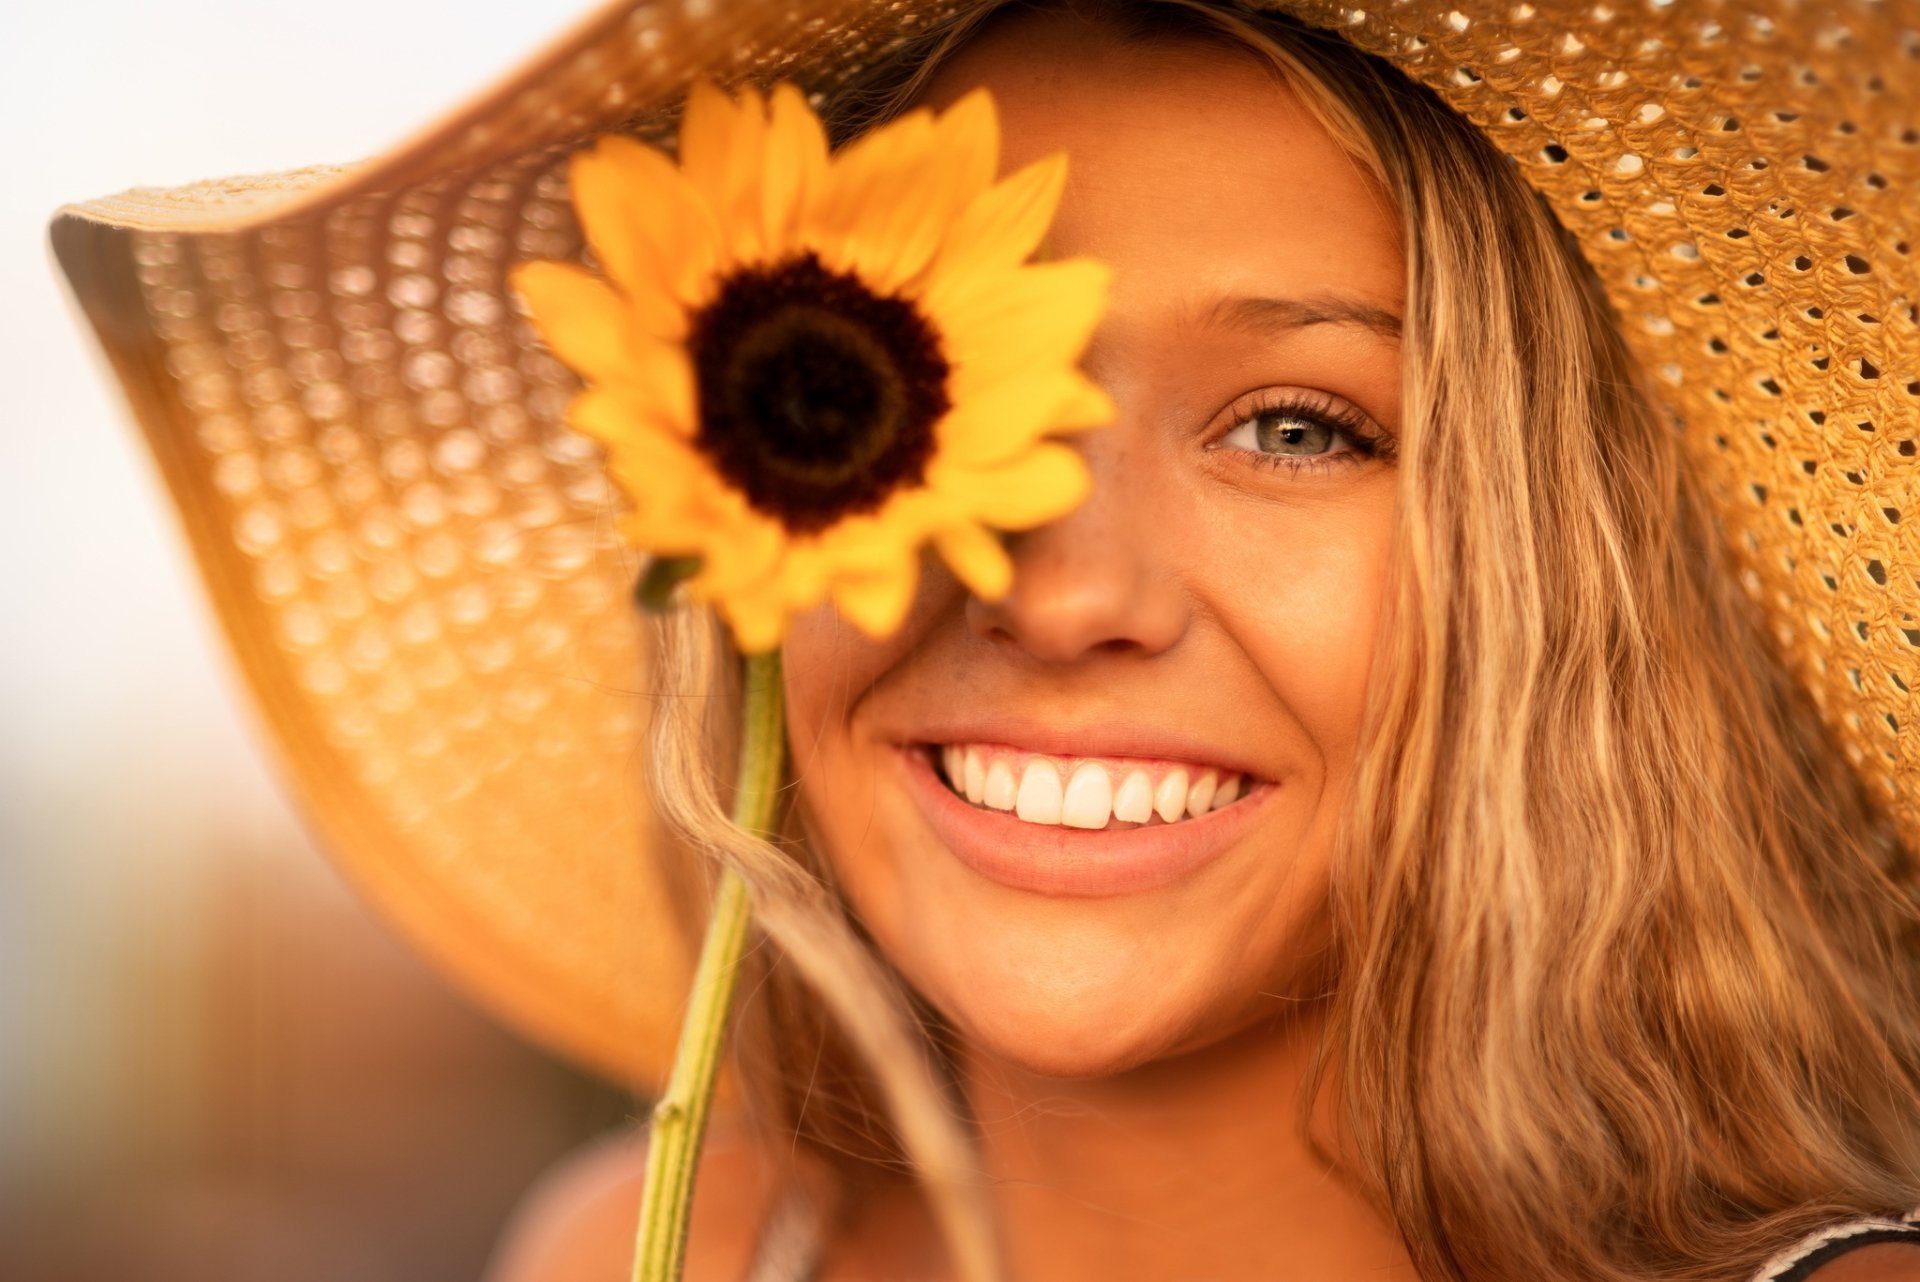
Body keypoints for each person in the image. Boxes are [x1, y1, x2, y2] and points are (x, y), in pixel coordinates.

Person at [50, 0, 1920, 1278]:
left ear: (1548, 575)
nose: (1057, 587)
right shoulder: (659, 1248)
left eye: (1295, 424)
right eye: (927, 413)